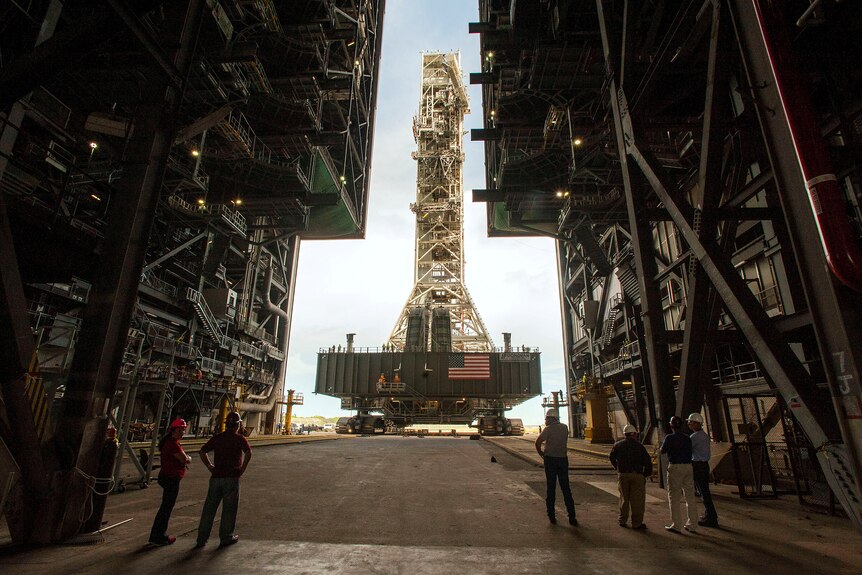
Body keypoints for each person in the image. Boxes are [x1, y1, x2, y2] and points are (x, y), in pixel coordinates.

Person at [195, 412, 252, 548]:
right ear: (238, 425)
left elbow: (202, 451)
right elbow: (249, 452)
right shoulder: (239, 439)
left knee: (209, 509)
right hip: (232, 478)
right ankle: (226, 537)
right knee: (229, 509)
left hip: (216, 477)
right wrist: (242, 468)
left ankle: (201, 539)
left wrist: (210, 466)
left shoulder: (218, 438)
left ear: (226, 425)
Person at [148, 418, 191, 546]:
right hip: (171, 478)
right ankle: (159, 536)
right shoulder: (173, 444)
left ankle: (157, 535)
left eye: (183, 430)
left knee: (165, 507)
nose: (182, 432)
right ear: (173, 431)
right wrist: (188, 458)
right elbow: (184, 459)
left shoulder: (169, 442)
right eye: (180, 430)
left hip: (167, 477)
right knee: (166, 508)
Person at [534, 409, 577, 526]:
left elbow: (537, 442)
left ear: (550, 418)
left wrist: (541, 454)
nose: (545, 420)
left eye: (546, 418)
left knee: (551, 488)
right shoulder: (565, 428)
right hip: (563, 460)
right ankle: (572, 517)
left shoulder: (548, 429)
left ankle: (551, 516)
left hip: (550, 460)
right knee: (566, 488)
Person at [609, 424, 652, 530]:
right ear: (634, 434)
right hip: (636, 475)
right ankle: (637, 523)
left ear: (625, 434)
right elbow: (647, 462)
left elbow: (611, 457)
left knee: (624, 498)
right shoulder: (639, 446)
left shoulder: (618, 445)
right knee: (637, 501)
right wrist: (645, 474)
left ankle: (622, 520)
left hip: (623, 475)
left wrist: (618, 468)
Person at [660, 415, 698, 533]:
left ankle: (677, 525)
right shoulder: (687, 438)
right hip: (688, 467)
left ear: (671, 426)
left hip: (675, 467)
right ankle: (692, 524)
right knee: (690, 496)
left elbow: (662, 451)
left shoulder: (669, 438)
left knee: (674, 497)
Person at [688, 413, 719, 528]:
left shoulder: (694, 437)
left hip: (698, 466)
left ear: (696, 423)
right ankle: (709, 515)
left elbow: (687, 448)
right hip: (704, 465)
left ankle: (712, 517)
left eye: (690, 422)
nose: (689, 424)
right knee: (704, 491)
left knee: (704, 493)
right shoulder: (704, 435)